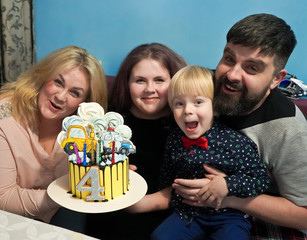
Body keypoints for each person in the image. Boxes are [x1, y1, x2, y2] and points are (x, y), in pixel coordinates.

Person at [172, 14, 307, 238]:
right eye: (228, 59)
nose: (232, 75)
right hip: (187, 212)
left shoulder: (290, 131)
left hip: (255, 220)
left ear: (276, 79)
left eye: (252, 68)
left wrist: (231, 197)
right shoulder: (202, 90)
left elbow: (304, 215)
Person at [128, 65, 270, 240]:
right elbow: (168, 178)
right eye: (179, 104)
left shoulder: (235, 142)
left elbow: (260, 180)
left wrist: (227, 184)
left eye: (198, 102)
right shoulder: (174, 140)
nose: (187, 110)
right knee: (159, 236)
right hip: (188, 213)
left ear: (215, 107)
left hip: (228, 215)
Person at [85, 43, 187, 239]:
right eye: (140, 80)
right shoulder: (109, 123)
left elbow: (198, 183)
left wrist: (143, 203)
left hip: (168, 219)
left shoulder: (188, 125)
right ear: (127, 83)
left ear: (175, 82)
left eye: (159, 80)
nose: (150, 89)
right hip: (110, 215)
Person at [0, 45, 108, 223]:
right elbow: (3, 198)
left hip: (63, 214)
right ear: (44, 76)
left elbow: (91, 182)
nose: (60, 96)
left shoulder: (87, 130)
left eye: (75, 92)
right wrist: (65, 194)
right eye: (58, 82)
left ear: (85, 102)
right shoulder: (4, 118)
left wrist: (105, 170)